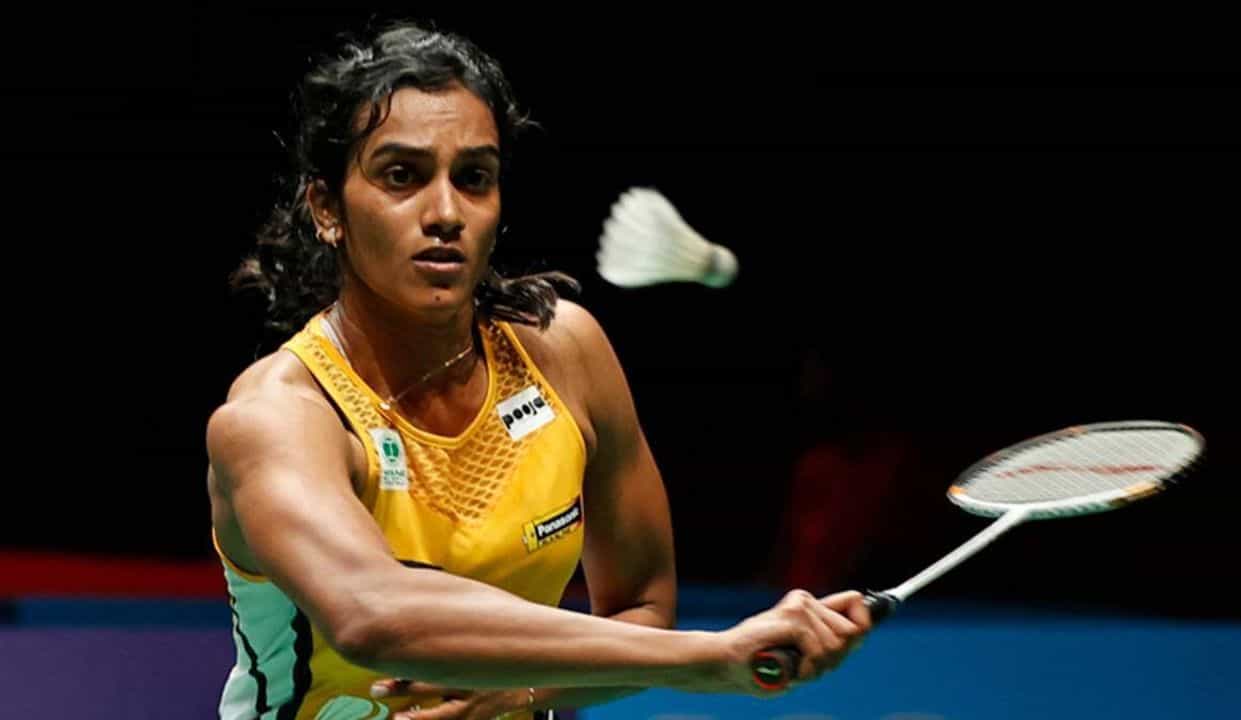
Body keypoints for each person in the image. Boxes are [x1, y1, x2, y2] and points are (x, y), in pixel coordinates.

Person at [207, 18, 872, 720]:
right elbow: (372, 614)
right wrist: (708, 660)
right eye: (402, 176)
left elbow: (642, 605)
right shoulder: (279, 417)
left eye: (474, 178)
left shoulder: (566, 355)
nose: (445, 212)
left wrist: (519, 691)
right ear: (327, 208)